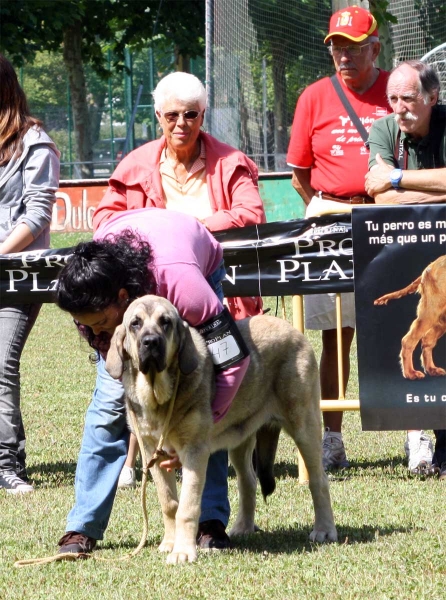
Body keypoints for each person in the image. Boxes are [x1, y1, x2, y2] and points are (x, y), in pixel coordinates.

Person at [92, 71, 266, 489]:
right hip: (143, 305)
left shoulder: (230, 162)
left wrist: (193, 226)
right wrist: (151, 228)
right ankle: (85, 522)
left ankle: (209, 522)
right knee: (108, 402)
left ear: (203, 114)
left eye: (191, 114)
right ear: (158, 116)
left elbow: (251, 213)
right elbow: (102, 220)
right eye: (172, 115)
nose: (181, 123)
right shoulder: (134, 165)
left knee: (204, 400)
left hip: (205, 294)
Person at [56, 207, 251, 555]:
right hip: (137, 269)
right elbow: (112, 359)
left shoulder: (187, 288)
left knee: (206, 392)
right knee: (106, 409)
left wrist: (210, 421)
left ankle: (209, 522)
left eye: (99, 324)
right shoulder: (87, 288)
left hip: (188, 262)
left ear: (119, 299)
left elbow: (234, 357)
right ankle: (81, 527)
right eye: (84, 326)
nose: (93, 333)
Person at [286, 6, 390, 469]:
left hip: (390, 220)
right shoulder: (313, 96)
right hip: (331, 221)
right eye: (335, 47)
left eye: (351, 47)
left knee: (399, 324)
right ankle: (332, 438)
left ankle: (415, 434)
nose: (342, 56)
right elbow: (299, 175)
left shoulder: (398, 88)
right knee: (336, 334)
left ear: (375, 48)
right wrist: (333, 203)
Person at [365, 60, 446, 480]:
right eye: (392, 98)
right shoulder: (383, 131)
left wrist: (397, 178)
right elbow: (378, 198)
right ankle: (419, 436)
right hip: (404, 251)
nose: (398, 108)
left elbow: (387, 184)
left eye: (408, 98)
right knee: (421, 325)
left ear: (432, 97)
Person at [0, 55, 60, 493]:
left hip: (17, 275)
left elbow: (36, 215)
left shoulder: (34, 143)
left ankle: (6, 465)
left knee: (0, 364)